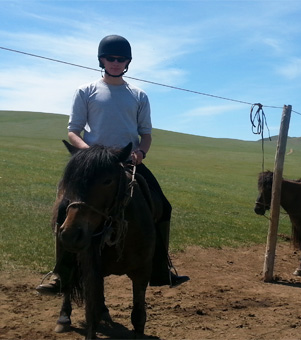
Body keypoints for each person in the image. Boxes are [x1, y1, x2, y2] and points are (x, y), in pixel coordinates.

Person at [36, 34, 189, 294]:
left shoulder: (138, 95)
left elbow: (146, 134)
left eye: (121, 59)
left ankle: (160, 268)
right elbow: (73, 131)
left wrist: (141, 152)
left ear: (128, 62)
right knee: (65, 207)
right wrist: (90, 154)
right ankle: (60, 273)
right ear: (101, 60)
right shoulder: (86, 91)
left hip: (128, 162)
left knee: (163, 205)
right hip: (93, 164)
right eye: (111, 58)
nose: (116, 62)